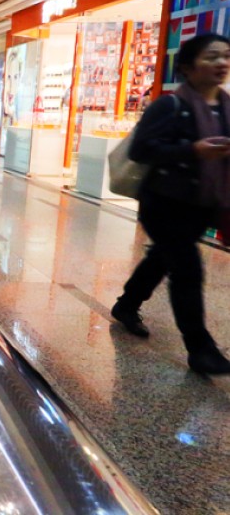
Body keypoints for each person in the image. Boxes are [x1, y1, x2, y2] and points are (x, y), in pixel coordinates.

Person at [112, 33, 230, 375]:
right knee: (187, 270)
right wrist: (192, 150)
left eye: (225, 56)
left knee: (161, 258)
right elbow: (141, 151)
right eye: (211, 57)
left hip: (201, 203)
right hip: (164, 203)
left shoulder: (225, 107)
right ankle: (200, 349)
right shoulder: (170, 106)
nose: (221, 63)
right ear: (189, 66)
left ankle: (127, 305)